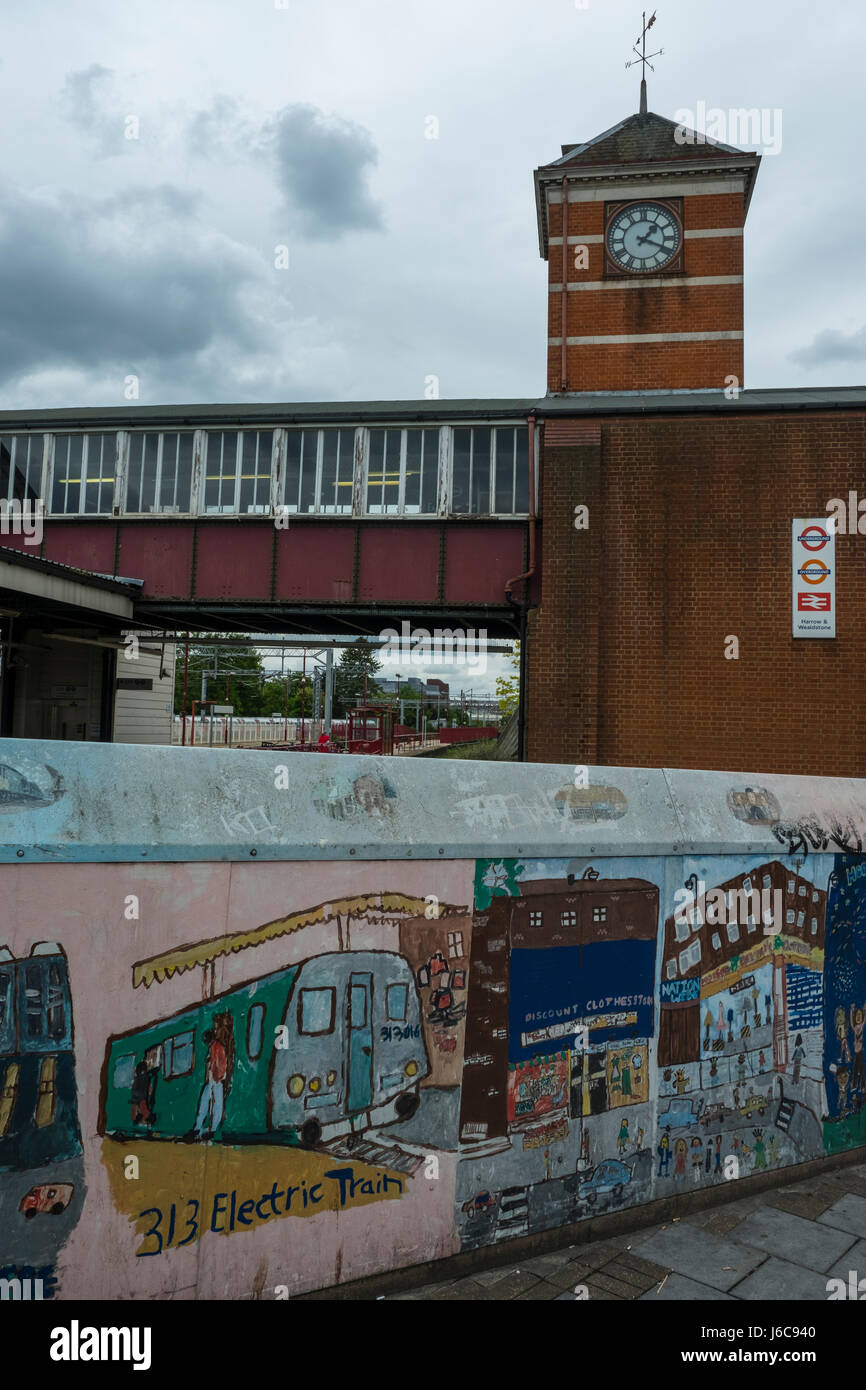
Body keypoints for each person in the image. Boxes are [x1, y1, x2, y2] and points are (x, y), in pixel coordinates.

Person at [193, 1028, 227, 1139]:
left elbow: (221, 1064)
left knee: (216, 1105)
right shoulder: (213, 1048)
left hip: (216, 1081)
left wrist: (218, 1077)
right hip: (211, 1081)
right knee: (207, 1103)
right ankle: (200, 1128)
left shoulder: (217, 1047)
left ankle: (209, 1130)